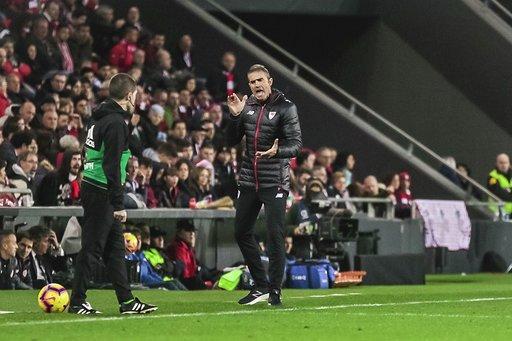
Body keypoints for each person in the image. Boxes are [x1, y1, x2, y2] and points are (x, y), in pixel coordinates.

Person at [69, 73, 157, 315]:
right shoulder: (116, 123)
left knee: (115, 249)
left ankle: (126, 301)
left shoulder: (98, 118)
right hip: (103, 190)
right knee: (92, 247)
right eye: (136, 94)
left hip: (94, 185)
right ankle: (77, 301)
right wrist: (118, 203)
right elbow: (111, 164)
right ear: (129, 95)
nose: (136, 98)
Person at [226, 64, 302, 306]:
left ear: (270, 80)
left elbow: (296, 145)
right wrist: (235, 115)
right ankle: (260, 285)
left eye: (260, 80)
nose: (256, 85)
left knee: (274, 235)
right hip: (249, 180)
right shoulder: (246, 106)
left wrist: (278, 151)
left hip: (274, 182)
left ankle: (275, 290)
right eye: (252, 82)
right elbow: (230, 140)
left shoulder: (286, 108)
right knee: (241, 232)